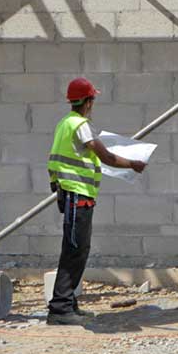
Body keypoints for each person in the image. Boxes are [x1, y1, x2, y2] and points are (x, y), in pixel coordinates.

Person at [46, 76, 142, 321]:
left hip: (70, 194)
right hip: (77, 195)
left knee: (76, 248)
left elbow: (54, 161)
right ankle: (61, 308)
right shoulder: (80, 125)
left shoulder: (64, 123)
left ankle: (67, 303)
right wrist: (133, 164)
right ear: (88, 102)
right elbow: (107, 157)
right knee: (75, 250)